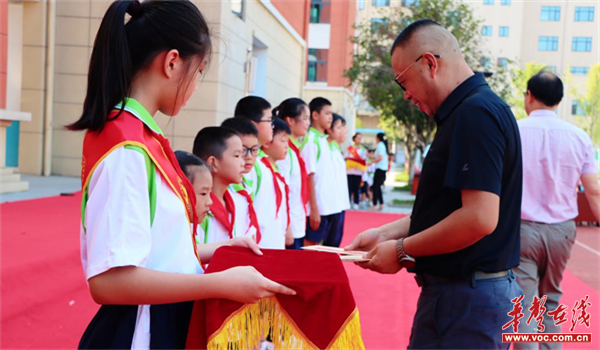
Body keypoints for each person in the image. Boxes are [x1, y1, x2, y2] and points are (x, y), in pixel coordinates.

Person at [70, 1, 294, 348]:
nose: (197, 85)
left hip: (161, 319)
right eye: (200, 70)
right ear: (172, 61)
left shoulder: (140, 137)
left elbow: (158, 251)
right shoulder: (127, 147)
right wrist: (220, 283)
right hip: (143, 330)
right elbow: (109, 282)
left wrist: (220, 249)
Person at [346, 19, 523, 349]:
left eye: (403, 82)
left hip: (468, 299)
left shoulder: (476, 113)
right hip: (461, 295)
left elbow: (479, 218)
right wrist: (386, 234)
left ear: (429, 62)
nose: (406, 96)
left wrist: (401, 250)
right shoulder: (467, 111)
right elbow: (447, 211)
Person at [514, 72, 600, 350]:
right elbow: (594, 191)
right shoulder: (579, 137)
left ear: (529, 95)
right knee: (550, 300)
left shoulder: (513, 130)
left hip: (523, 230)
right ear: (559, 100)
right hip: (562, 232)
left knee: (524, 304)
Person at [193, 127, 260, 244]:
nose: (243, 163)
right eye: (237, 156)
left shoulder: (241, 202)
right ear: (213, 162)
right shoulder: (196, 206)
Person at [234, 96, 275, 242]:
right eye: (269, 120)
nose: (272, 126)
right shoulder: (248, 164)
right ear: (252, 124)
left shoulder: (260, 160)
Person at [274, 98, 311, 250]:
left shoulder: (295, 150)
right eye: (304, 119)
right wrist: (287, 225)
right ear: (290, 120)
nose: (308, 123)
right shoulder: (284, 152)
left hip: (297, 220)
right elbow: (283, 192)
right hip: (290, 225)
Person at [301, 97, 338, 246]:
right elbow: (309, 175)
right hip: (317, 209)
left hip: (326, 206)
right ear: (315, 115)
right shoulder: (311, 140)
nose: (331, 117)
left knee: (318, 248)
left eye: (331, 114)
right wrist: (314, 209)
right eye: (327, 113)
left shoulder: (323, 140)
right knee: (310, 248)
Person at [220, 117, 263, 243]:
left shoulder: (247, 186)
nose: (249, 157)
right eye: (243, 151)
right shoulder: (219, 189)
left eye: (254, 150)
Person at [260, 118, 293, 249]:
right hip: (263, 241)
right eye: (283, 141)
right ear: (267, 143)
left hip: (275, 237)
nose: (286, 146)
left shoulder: (276, 169)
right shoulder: (259, 167)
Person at [325, 114, 350, 247]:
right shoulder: (324, 147)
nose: (343, 132)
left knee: (335, 241)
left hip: (339, 203)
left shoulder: (335, 148)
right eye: (340, 128)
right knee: (328, 243)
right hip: (330, 204)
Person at [345, 133, 367, 209]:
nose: (359, 140)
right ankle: (348, 201)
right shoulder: (349, 148)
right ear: (354, 139)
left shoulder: (363, 149)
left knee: (357, 187)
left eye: (360, 138)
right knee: (349, 187)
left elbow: (364, 160)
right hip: (350, 171)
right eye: (358, 138)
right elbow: (346, 157)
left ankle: (356, 202)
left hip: (358, 172)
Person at [370, 132, 389, 211]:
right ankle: (381, 203)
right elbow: (377, 155)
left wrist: (372, 162)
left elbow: (380, 157)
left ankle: (375, 204)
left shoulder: (380, 145)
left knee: (375, 187)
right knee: (377, 187)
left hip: (380, 169)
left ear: (378, 138)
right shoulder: (382, 145)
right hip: (381, 168)